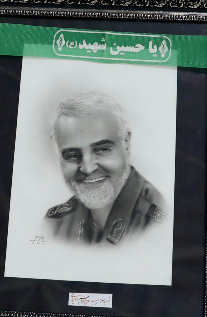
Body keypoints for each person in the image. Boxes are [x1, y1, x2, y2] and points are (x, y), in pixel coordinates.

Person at [43, 92, 166, 246]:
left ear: (126, 143)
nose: (87, 168)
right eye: (72, 155)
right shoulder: (54, 224)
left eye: (102, 149)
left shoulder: (161, 226)